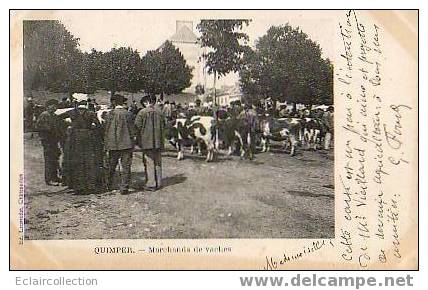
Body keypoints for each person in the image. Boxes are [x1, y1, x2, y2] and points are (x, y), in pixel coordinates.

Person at [62, 99, 103, 194]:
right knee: (88, 162)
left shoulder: (72, 112)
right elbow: (99, 126)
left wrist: (68, 126)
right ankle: (89, 185)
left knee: (76, 162)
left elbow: (58, 118)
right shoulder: (91, 113)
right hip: (88, 139)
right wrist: (94, 131)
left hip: (74, 139)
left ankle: (77, 186)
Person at [104, 94, 135, 195]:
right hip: (126, 144)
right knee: (126, 166)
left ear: (114, 102)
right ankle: (124, 187)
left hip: (113, 144)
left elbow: (106, 129)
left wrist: (106, 142)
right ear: (123, 103)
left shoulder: (110, 114)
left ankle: (108, 184)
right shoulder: (128, 114)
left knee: (111, 165)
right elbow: (132, 130)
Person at [135, 94, 165, 191]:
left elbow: (137, 127)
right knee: (158, 162)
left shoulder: (142, 112)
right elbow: (164, 125)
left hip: (146, 141)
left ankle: (151, 184)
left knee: (149, 162)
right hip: (158, 141)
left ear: (146, 102)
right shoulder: (160, 112)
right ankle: (159, 182)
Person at [35, 99, 62, 186]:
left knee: (55, 158)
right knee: (49, 159)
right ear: (48, 106)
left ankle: (55, 177)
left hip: (54, 140)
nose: (54, 107)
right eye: (52, 105)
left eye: (56, 106)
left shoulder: (53, 115)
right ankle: (49, 179)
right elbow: (39, 126)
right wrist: (50, 131)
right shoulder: (45, 115)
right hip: (47, 140)